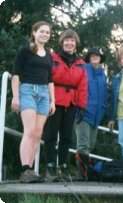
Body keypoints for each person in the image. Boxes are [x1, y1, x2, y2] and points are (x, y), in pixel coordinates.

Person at [11, 21, 55, 183]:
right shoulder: (25, 51)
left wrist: (53, 100)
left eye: (48, 32)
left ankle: (30, 170)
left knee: (37, 133)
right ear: (34, 33)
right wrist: (16, 97)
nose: (45, 34)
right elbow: (16, 75)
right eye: (42, 31)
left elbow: (50, 80)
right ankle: (25, 169)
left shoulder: (49, 55)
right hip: (28, 91)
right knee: (29, 131)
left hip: (44, 94)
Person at [43, 29, 87, 181]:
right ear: (62, 42)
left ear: (76, 44)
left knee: (67, 136)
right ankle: (50, 167)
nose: (69, 43)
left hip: (71, 103)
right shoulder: (52, 58)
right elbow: (46, 79)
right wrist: (47, 100)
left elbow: (82, 86)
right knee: (50, 134)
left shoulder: (81, 63)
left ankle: (63, 166)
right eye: (67, 40)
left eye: (72, 41)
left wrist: (82, 106)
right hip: (54, 101)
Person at [74, 48, 107, 180]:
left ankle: (86, 172)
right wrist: (78, 108)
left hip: (97, 116)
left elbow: (105, 95)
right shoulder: (83, 69)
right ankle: (81, 175)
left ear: (101, 58)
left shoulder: (102, 74)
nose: (95, 57)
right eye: (92, 55)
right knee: (83, 145)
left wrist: (104, 111)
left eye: (97, 56)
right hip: (83, 113)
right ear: (88, 57)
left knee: (91, 144)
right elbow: (76, 88)